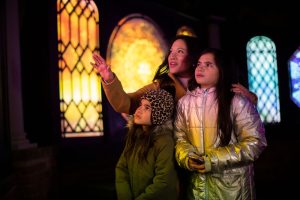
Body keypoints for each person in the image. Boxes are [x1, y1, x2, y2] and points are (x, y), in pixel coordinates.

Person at [174, 48, 267, 200]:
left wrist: (212, 159)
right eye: (199, 64)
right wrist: (188, 158)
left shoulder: (237, 101)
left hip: (232, 190)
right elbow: (179, 139)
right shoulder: (184, 103)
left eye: (209, 64)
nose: (200, 67)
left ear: (221, 70)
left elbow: (255, 142)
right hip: (198, 190)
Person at [90, 35, 257, 116]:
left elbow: (239, 112)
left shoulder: (209, 83)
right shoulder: (160, 87)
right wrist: (108, 78)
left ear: (193, 57)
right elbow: (125, 104)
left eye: (180, 52)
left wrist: (250, 98)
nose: (172, 56)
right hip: (174, 160)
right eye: (171, 52)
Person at [115, 88, 178, 200]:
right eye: (140, 104)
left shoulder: (164, 141)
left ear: (159, 113)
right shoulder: (135, 135)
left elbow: (164, 182)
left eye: (147, 107)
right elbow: (121, 168)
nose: (139, 110)